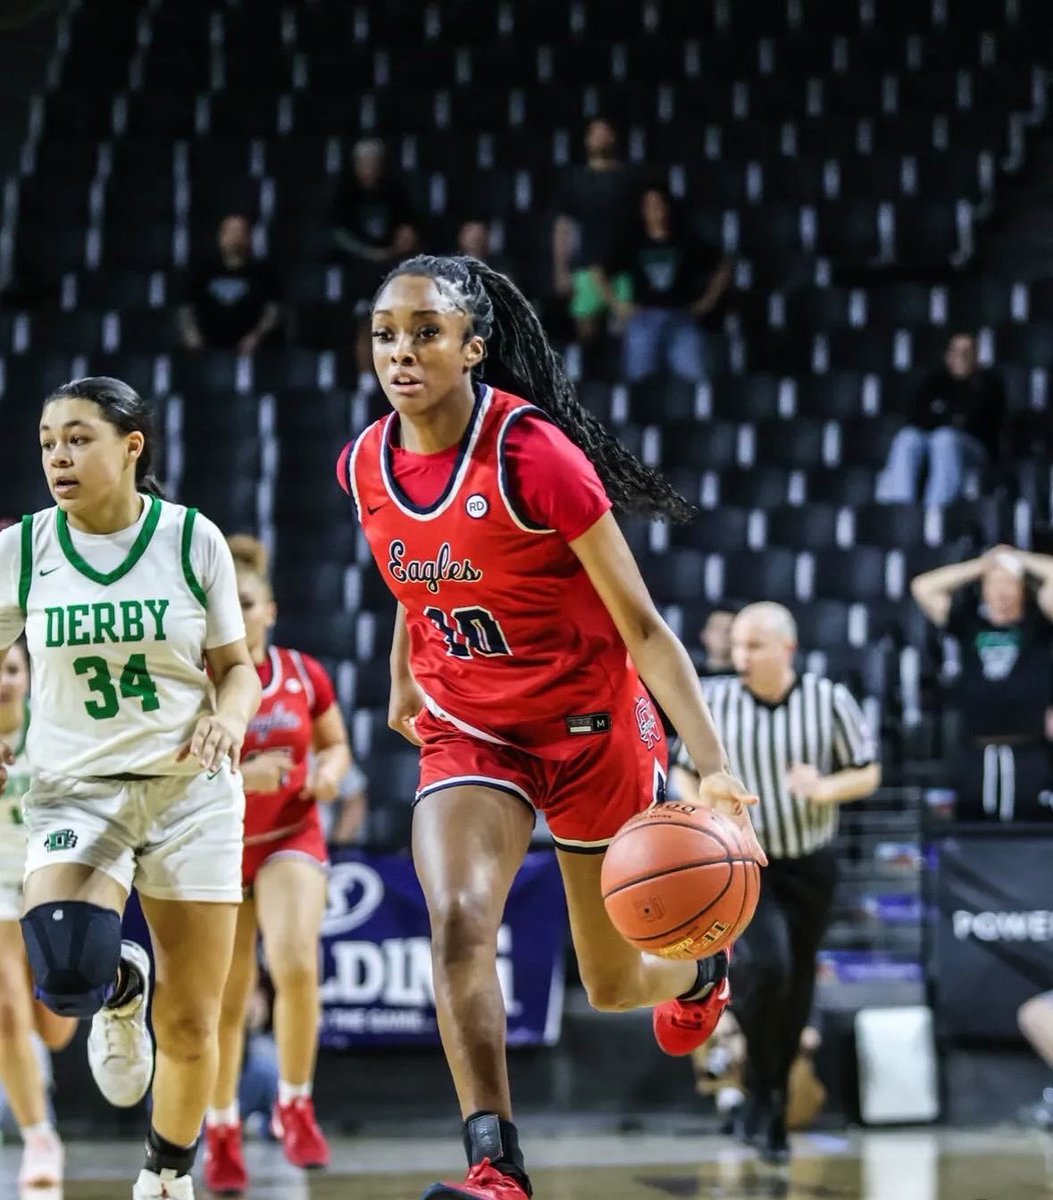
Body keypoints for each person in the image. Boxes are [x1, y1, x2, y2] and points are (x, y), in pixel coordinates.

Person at [336, 253, 763, 1200]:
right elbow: (415, 571)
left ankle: (698, 977)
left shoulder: (535, 457)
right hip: (470, 730)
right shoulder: (363, 461)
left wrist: (714, 767)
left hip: (586, 728)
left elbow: (643, 627)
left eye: (425, 333)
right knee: (454, 924)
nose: (400, 352)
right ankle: (496, 1166)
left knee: (613, 985)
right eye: (384, 334)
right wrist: (403, 672)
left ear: (472, 347)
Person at [0, 376, 261, 1200]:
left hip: (190, 792)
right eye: (48, 442)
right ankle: (120, 984)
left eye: (78, 438)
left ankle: (166, 1175)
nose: (59, 457)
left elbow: (238, 669)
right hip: (77, 788)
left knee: (192, 1019)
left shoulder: (191, 540)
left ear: (131, 445)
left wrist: (229, 719)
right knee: (65, 976)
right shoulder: (25, 547)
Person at [671, 603, 879, 1165]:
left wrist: (823, 789)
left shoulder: (827, 698)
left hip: (810, 862)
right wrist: (705, 808)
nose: (741, 656)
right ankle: (761, 1092)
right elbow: (681, 769)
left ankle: (771, 1100)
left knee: (798, 988)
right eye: (737, 645)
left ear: (786, 648)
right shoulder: (713, 700)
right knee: (768, 969)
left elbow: (868, 769)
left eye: (754, 645)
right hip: (744, 864)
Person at [204, 535, 351, 1194]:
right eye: (224, 604)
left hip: (293, 831)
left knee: (295, 961)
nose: (236, 612)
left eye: (246, 602)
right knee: (225, 1001)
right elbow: (172, 763)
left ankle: (295, 1103)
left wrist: (331, 772)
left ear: (269, 609)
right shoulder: (199, 680)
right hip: (217, 843)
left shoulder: (303, 672)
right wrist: (240, 773)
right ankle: (222, 1127)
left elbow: (337, 742)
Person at [0, 638, 76, 1188]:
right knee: (6, 1009)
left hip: (48, 879)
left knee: (54, 1029)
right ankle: (40, 1138)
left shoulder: (54, 728)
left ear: (28, 675)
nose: (3, 680)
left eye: (11, 669)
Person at [911, 544, 1053, 820]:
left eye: (1008, 582)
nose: (1001, 590)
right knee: (976, 829)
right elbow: (923, 587)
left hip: (1029, 749)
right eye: (994, 582)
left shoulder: (1039, 624)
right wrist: (982, 565)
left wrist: (1016, 558)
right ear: (983, 588)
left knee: (1029, 829)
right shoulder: (968, 623)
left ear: (1022, 588)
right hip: (976, 749)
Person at [601, 185, 732, 384]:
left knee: (695, 381)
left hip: (681, 317)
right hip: (643, 318)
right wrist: (617, 305)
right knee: (637, 382)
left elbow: (723, 265)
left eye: (659, 204)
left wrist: (707, 301)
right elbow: (599, 271)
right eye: (649, 206)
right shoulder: (632, 242)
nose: (655, 210)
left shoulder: (685, 240)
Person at [876, 333, 1007, 505]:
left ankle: (937, 510)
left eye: (967, 352)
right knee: (907, 438)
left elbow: (978, 424)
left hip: (974, 449)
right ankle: (902, 507)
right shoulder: (934, 382)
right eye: (956, 351)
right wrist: (950, 418)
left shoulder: (989, 385)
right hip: (931, 440)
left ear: (976, 356)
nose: (961, 357)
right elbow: (916, 417)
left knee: (945, 439)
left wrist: (943, 418)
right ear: (948, 356)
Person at [552, 118, 638, 347]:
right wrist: (561, 269)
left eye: (605, 132)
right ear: (586, 140)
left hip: (624, 268)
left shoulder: (630, 178)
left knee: (627, 333)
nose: (600, 137)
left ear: (613, 138)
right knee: (585, 334)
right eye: (595, 133)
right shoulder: (574, 180)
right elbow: (563, 226)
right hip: (586, 267)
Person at [179, 214, 285, 355]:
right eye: (229, 232)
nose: (234, 237)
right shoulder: (202, 270)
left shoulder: (264, 271)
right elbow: (186, 307)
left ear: (249, 238)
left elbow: (273, 310)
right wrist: (190, 333)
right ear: (220, 238)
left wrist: (257, 335)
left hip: (253, 349)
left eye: (240, 231)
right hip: (207, 347)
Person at [698, 609, 735, 676]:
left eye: (730, 629)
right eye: (717, 627)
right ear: (704, 635)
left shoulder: (751, 676)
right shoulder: (689, 675)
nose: (723, 634)